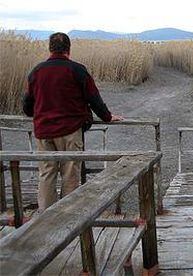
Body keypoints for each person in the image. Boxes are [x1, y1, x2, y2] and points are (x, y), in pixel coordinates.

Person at [23, 32, 123, 212]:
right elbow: (93, 97)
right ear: (68, 49)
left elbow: (27, 104)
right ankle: (67, 217)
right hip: (70, 131)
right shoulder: (77, 70)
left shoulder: (36, 71)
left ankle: (45, 218)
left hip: (44, 132)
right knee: (70, 175)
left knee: (46, 174)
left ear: (50, 48)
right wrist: (107, 116)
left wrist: (38, 114)